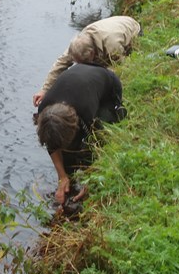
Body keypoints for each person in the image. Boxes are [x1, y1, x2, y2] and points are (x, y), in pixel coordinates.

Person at [35, 63, 126, 207]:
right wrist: (62, 176)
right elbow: (51, 144)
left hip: (108, 87)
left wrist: (90, 183)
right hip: (79, 79)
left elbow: (99, 147)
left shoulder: (86, 111)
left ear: (74, 125)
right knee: (68, 161)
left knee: (92, 140)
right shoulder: (43, 111)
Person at [32, 15, 141, 107]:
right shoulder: (79, 44)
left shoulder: (112, 45)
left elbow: (120, 69)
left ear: (92, 53)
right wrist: (44, 90)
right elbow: (60, 64)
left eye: (82, 62)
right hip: (111, 26)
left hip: (132, 29)